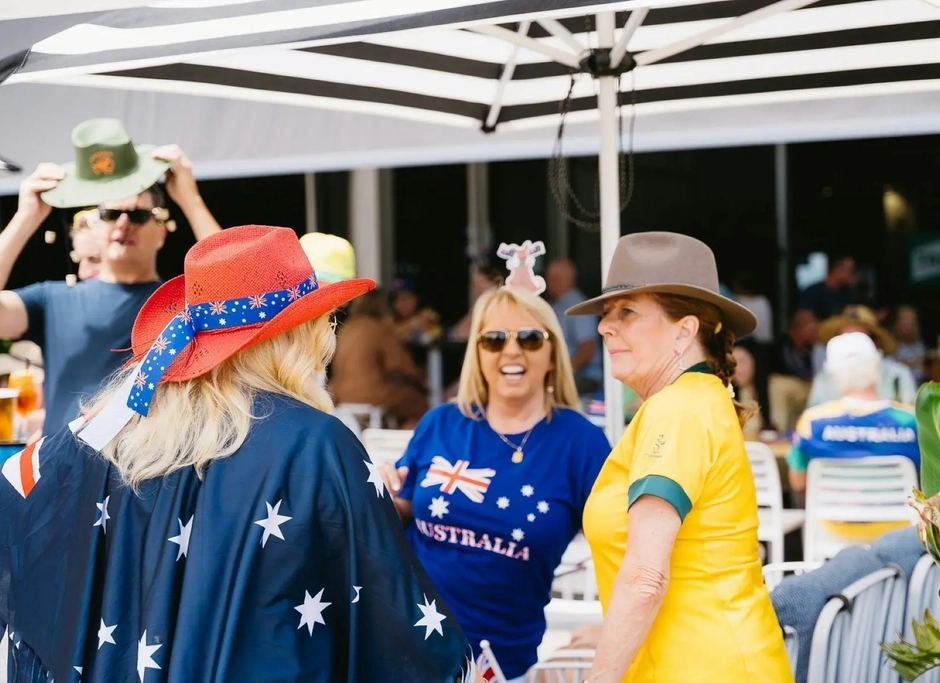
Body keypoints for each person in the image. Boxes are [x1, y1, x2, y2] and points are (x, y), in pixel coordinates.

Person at [0, 226, 479, 682]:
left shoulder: (113, 435)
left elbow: (17, 491)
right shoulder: (316, 444)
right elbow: (401, 626)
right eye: (324, 318)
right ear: (300, 333)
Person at [565, 232, 792, 682]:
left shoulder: (677, 408)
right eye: (607, 314)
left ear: (685, 330)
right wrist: (611, 635)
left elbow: (647, 578)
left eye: (627, 312)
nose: (605, 327)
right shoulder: (694, 398)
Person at [378, 284, 611, 682]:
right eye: (494, 339)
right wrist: (379, 492)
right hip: (407, 650)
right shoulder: (442, 423)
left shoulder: (581, 443)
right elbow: (401, 512)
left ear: (554, 352)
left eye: (530, 338)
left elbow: (627, 549)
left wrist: (613, 631)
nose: (512, 351)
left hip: (501, 667)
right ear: (478, 353)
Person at [0, 118, 221, 438]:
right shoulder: (53, 299)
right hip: (66, 478)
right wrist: (25, 218)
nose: (124, 224)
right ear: (95, 225)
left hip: (155, 477)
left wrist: (190, 199)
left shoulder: (182, 298)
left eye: (138, 214)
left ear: (161, 233)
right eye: (111, 214)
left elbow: (244, 287)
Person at [787, 332, 920, 496]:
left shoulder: (812, 422)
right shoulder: (912, 421)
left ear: (832, 372)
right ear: (877, 365)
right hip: (902, 520)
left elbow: (798, 482)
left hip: (833, 520)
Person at [330, 289, 429, 429]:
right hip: (369, 395)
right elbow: (401, 365)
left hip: (339, 395)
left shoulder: (347, 327)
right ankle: (402, 444)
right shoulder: (378, 327)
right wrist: (424, 382)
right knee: (419, 403)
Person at [807, 305, 917, 407]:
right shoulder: (823, 378)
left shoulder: (898, 374)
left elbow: (910, 418)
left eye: (859, 340)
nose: (851, 346)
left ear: (875, 343)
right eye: (844, 338)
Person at [545, 258, 603, 396]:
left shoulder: (578, 307)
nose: (548, 282)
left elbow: (587, 350)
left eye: (552, 278)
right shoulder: (557, 305)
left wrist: (561, 375)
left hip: (585, 379)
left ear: (564, 279)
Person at [798, 253, 856, 321]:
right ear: (838, 269)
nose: (852, 275)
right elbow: (804, 319)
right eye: (850, 270)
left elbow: (853, 317)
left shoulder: (848, 294)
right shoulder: (813, 292)